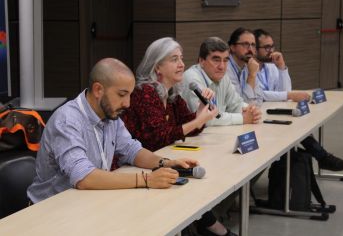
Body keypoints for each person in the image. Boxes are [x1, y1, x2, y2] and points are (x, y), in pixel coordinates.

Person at [27, 58, 199, 204]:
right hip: (52, 210)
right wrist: (146, 180)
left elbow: (132, 150)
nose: (128, 104)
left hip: (89, 202)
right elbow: (83, 178)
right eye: (122, 94)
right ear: (98, 90)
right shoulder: (67, 120)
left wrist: (165, 163)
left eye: (130, 95)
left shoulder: (110, 114)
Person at [119, 38, 235, 236]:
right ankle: (213, 229)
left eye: (181, 58)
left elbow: (190, 127)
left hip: (160, 159)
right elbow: (157, 138)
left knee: (195, 172)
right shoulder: (144, 93)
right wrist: (198, 121)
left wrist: (200, 112)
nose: (181, 64)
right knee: (186, 177)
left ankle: (209, 227)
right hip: (134, 165)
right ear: (157, 67)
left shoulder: (172, 93)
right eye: (174, 59)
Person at [228, 27, 343, 171]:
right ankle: (320, 158)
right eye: (266, 47)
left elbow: (267, 95)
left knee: (295, 126)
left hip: (257, 112)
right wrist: (254, 78)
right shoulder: (243, 69)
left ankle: (316, 160)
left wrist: (281, 67)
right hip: (244, 118)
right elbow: (250, 101)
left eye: (253, 45)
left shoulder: (261, 66)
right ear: (232, 47)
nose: (271, 51)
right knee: (291, 129)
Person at [182, 36, 262, 126]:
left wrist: (251, 110)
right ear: (201, 61)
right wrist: (242, 118)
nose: (222, 67)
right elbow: (205, 119)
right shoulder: (192, 79)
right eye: (216, 60)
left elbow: (235, 104)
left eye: (225, 60)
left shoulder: (223, 77)